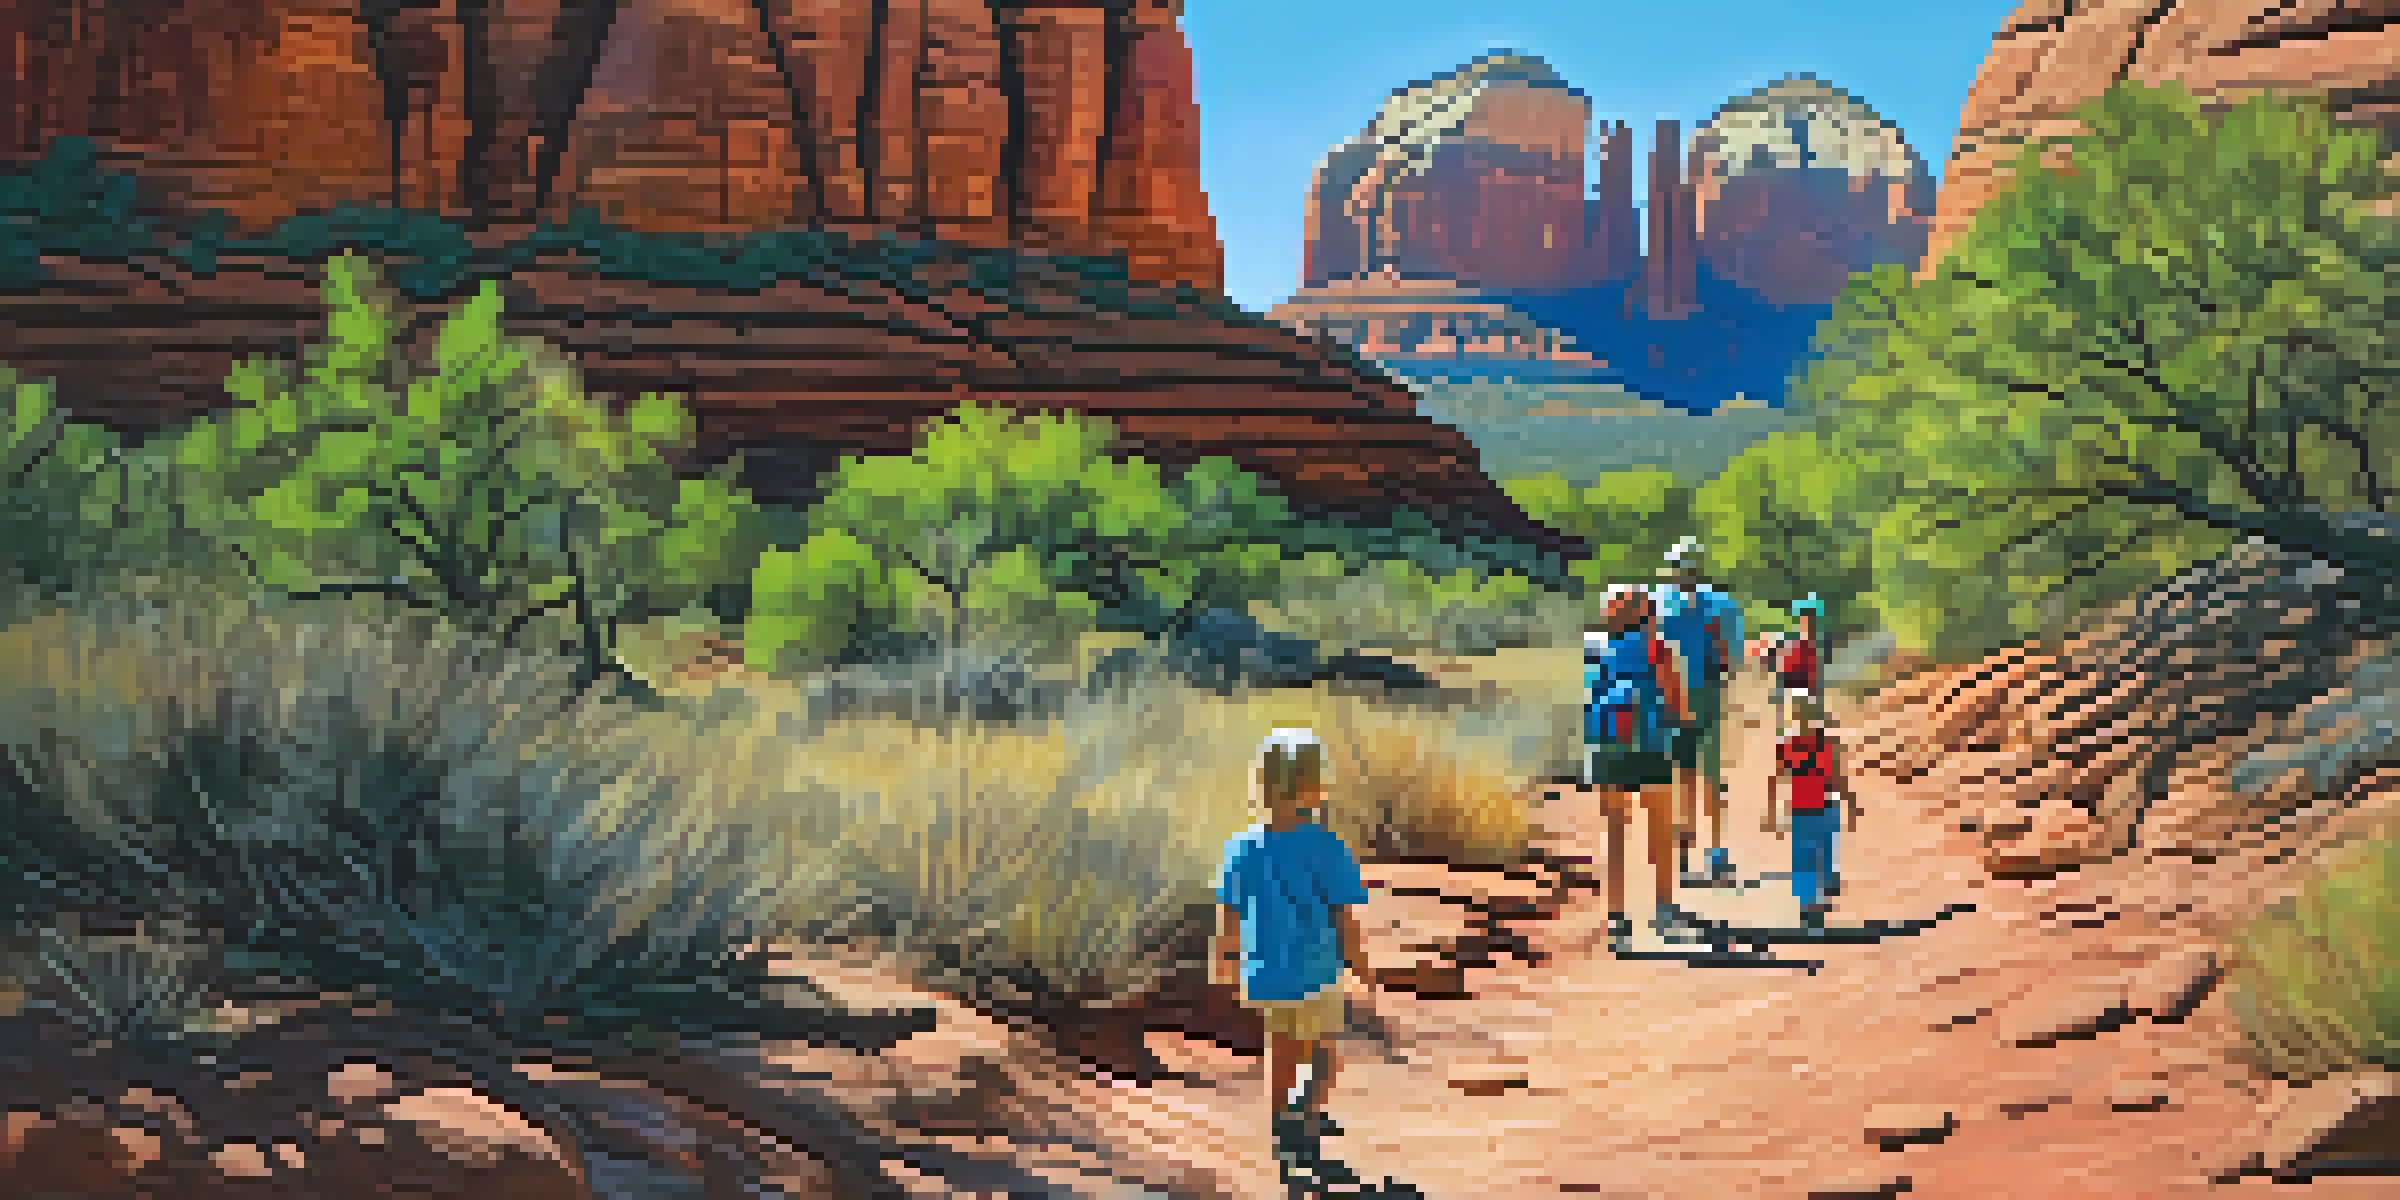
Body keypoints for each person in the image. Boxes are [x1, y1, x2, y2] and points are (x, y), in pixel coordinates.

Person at [1212, 728, 1375, 1147]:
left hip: (1266, 972)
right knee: (1323, 1052)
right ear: (1314, 788)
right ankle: (1306, 1113)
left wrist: (1225, 963)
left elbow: (1229, 915)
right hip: (1316, 972)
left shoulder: (1241, 848)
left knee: (1282, 1048)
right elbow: (1343, 918)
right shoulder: (1327, 847)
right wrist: (1361, 966)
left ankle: (1280, 1119)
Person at [1584, 584, 1699, 948]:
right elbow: (1676, 703)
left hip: (1606, 747)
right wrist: (1685, 727)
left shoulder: (1593, 646)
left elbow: (1586, 700)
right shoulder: (1657, 647)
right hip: (1650, 747)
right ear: (1642, 611)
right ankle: (1663, 909)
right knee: (1660, 829)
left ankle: (1617, 919)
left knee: (1616, 834)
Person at [1652, 538, 1743, 888]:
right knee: (1709, 778)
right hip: (1705, 694)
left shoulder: (1658, 604)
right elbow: (1731, 660)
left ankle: (1685, 854)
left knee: (1683, 776)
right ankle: (1714, 855)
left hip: (1672, 697)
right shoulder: (1719, 604)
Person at [1762, 692, 1856, 928]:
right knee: (1812, 859)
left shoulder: (1802, 744)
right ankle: (1811, 904)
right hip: (1814, 810)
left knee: (1811, 859)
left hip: (1813, 810)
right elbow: (1836, 777)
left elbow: (1835, 777)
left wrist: (1850, 802)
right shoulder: (1802, 744)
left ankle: (1812, 902)